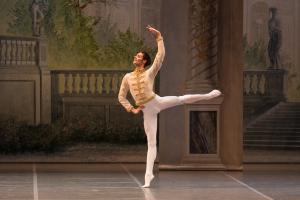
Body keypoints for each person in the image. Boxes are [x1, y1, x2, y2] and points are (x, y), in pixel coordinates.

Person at [118, 25, 221, 188]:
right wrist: (132, 108)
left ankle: (207, 96)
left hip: (156, 102)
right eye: (136, 56)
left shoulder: (149, 73)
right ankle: (148, 176)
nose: (135, 57)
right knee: (151, 143)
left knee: (181, 99)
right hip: (146, 111)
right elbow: (121, 96)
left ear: (144, 61)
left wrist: (159, 38)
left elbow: (160, 57)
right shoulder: (127, 77)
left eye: (138, 56)